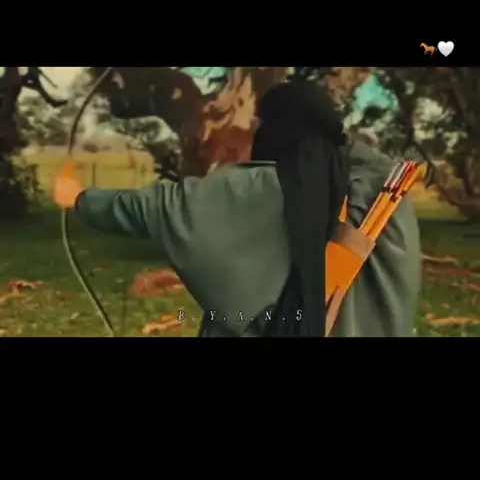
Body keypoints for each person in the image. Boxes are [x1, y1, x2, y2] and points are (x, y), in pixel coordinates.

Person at [54, 81, 422, 337]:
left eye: (263, 125)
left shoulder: (261, 190)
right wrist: (334, 136)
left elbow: (164, 206)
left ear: (277, 129)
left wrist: (79, 197)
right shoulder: (385, 197)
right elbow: (373, 162)